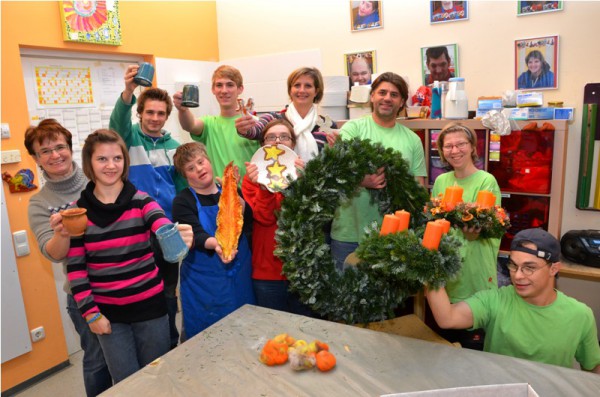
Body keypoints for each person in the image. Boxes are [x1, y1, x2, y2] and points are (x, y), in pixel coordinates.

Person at [66, 129, 193, 384]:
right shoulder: (78, 212)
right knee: (126, 383)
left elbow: (159, 221)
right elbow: (76, 268)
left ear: (125, 161)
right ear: (89, 164)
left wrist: (173, 234)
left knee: (158, 376)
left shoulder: (141, 200)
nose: (111, 165)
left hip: (150, 308)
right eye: (102, 159)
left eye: (117, 158)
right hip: (108, 315)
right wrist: (91, 314)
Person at [426, 228, 600, 373]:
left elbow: (592, 370)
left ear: (553, 268)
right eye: (513, 265)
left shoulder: (580, 315)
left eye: (529, 268)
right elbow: (447, 318)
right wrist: (426, 267)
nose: (517, 276)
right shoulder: (495, 300)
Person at [25, 119, 113, 396]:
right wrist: (61, 233)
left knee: (125, 354)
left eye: (60, 147)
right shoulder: (39, 203)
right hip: (83, 295)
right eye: (45, 151)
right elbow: (52, 254)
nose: (55, 155)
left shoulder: (97, 179)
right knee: (98, 361)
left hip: (121, 282)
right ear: (36, 158)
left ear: (70, 148)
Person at [109, 65, 185, 349]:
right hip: (134, 230)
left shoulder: (175, 146)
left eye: (161, 113)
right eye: (149, 112)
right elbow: (116, 124)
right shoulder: (126, 139)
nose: (155, 118)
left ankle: (169, 342)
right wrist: (128, 91)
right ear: (140, 112)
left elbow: (181, 189)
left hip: (165, 230)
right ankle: (145, 345)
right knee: (141, 290)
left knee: (168, 291)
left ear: (167, 116)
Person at [330, 72, 427, 270]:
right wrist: (362, 181)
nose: (387, 98)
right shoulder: (353, 129)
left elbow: (418, 188)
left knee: (388, 299)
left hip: (393, 237)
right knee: (345, 297)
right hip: (350, 234)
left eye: (394, 94)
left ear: (401, 102)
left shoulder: (412, 140)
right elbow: (337, 173)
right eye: (382, 92)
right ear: (372, 96)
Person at [171, 142, 255, 340]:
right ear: (185, 176)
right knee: (209, 340)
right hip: (204, 285)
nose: (199, 169)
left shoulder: (229, 191)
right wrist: (217, 245)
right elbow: (196, 235)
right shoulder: (183, 201)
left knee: (246, 334)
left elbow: (247, 223)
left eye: (201, 162)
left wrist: (236, 196)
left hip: (241, 277)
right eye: (191, 168)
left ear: (209, 161)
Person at [430, 123, 501, 348]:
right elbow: (435, 223)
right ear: (442, 151)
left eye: (461, 144)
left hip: (474, 274)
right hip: (448, 274)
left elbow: (490, 226)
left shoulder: (486, 181)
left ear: (472, 147)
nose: (455, 150)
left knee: (473, 350)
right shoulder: (441, 181)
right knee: (443, 348)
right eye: (448, 146)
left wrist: (475, 234)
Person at [241, 119, 313, 315]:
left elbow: (305, 216)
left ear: (293, 144)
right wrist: (264, 187)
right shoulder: (251, 179)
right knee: (273, 336)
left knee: (305, 333)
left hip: (301, 269)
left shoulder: (305, 175)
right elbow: (264, 218)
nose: (277, 142)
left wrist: (300, 183)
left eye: (284, 137)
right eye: (270, 137)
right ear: (263, 144)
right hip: (267, 272)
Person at [174, 65, 260, 182]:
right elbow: (189, 125)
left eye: (230, 85)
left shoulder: (254, 123)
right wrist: (183, 110)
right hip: (221, 195)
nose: (224, 90)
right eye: (219, 85)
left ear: (240, 89)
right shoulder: (209, 124)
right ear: (213, 90)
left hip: (250, 195)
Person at [237, 67, 338, 164]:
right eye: (297, 85)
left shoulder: (327, 125)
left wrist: (337, 148)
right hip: (278, 180)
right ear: (290, 90)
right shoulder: (273, 119)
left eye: (308, 86)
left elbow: (334, 161)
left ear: (316, 91)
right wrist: (244, 128)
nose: (302, 90)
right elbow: (254, 131)